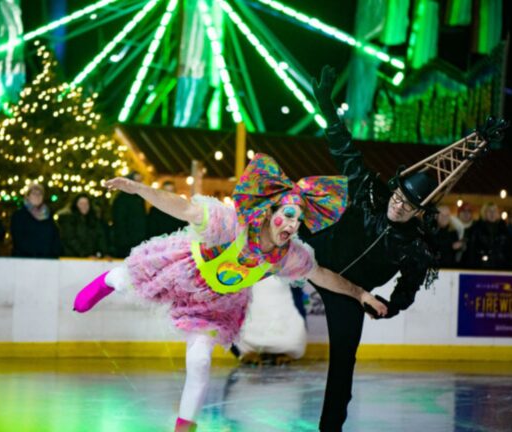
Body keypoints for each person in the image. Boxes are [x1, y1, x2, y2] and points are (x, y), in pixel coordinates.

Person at [72, 153, 387, 432]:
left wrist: (361, 294)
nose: (292, 225)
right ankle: (108, 280)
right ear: (268, 212)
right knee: (131, 278)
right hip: (186, 269)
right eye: (288, 215)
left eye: (299, 220)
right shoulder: (231, 223)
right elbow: (184, 208)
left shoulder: (289, 255)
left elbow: (323, 276)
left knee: (200, 363)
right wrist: (140, 189)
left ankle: (184, 427)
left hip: (216, 303)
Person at [305, 65, 441, 431]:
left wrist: (389, 309)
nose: (398, 204)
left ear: (418, 212)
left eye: (408, 204)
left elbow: (407, 289)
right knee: (263, 245)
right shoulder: (368, 193)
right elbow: (343, 146)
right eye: (398, 195)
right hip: (315, 257)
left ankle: (330, 427)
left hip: (352, 293)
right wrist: (326, 104)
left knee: (343, 362)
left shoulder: (415, 248)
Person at [10, 183, 62, 258]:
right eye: (34, 194)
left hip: (47, 260)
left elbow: (55, 237)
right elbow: (18, 239)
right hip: (25, 259)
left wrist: (53, 254)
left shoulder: (48, 215)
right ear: (27, 196)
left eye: (40, 194)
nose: (37, 196)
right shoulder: (19, 215)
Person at [58, 193, 110, 258]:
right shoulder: (68, 220)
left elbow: (100, 238)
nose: (84, 206)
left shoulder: (94, 220)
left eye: (86, 203)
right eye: (81, 203)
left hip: (91, 258)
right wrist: (85, 254)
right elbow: (70, 240)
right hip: (73, 259)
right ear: (76, 205)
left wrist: (104, 253)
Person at [463, 202, 510, 269]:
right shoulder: (476, 228)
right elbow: (471, 250)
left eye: (494, 211)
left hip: (500, 266)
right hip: (480, 266)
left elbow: (508, 250)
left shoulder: (504, 229)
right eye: (489, 211)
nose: (492, 213)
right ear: (484, 213)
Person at [110, 171, 147, 258]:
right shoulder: (121, 200)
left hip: (140, 244)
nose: (140, 183)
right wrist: (125, 244)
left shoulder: (140, 198)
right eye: (137, 181)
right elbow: (119, 224)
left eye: (141, 181)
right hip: (126, 246)